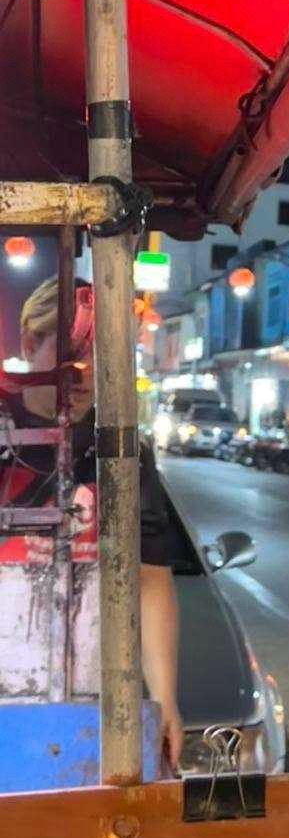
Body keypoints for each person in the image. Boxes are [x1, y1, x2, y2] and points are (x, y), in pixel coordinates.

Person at [0, 276, 183, 771]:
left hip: (96, 701)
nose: (86, 375)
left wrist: (164, 697)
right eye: (73, 355)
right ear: (30, 343)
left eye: (102, 358)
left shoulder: (121, 449)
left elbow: (150, 579)